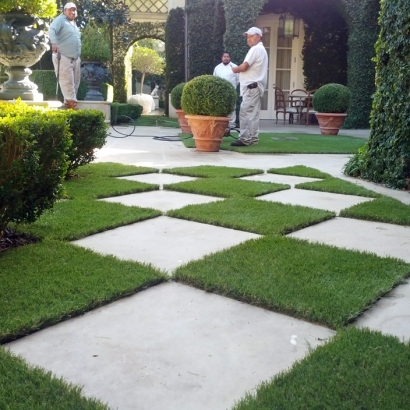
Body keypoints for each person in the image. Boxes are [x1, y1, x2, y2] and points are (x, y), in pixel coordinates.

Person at [231, 27, 268, 146]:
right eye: (247, 36)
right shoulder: (261, 49)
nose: (248, 38)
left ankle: (244, 139)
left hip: (251, 88)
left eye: (251, 36)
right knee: (254, 114)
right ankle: (253, 139)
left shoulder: (255, 49)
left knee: (245, 113)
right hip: (257, 87)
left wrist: (233, 69)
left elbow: (244, 67)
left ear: (259, 36)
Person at [49, 2, 81, 110]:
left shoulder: (74, 24)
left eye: (74, 10)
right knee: (66, 80)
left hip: (75, 57)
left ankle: (68, 104)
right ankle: (72, 104)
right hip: (63, 56)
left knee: (75, 81)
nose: (73, 12)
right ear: (64, 11)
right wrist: (54, 43)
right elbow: (52, 30)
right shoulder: (60, 20)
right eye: (70, 10)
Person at [213, 51, 239, 129]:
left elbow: (238, 80)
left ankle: (231, 125)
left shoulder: (234, 67)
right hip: (219, 92)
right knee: (220, 107)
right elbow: (214, 79)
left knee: (232, 107)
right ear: (222, 58)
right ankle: (220, 124)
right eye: (224, 56)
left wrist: (233, 87)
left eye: (227, 57)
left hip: (231, 91)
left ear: (230, 58)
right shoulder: (217, 67)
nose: (226, 58)